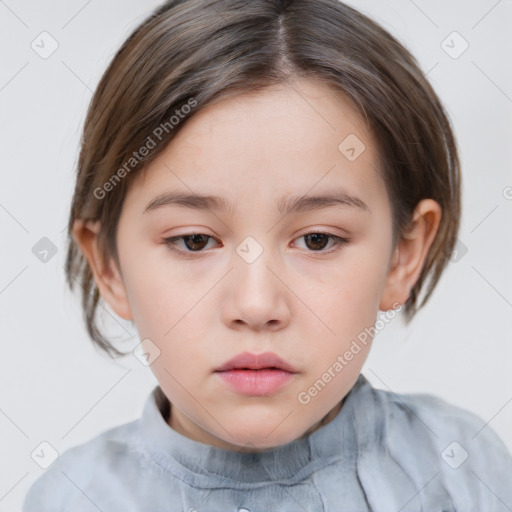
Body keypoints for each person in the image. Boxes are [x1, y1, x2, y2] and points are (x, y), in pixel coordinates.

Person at [23, 0, 512, 510]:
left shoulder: (464, 472)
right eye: (194, 240)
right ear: (109, 266)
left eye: (318, 240)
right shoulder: (74, 498)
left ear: (402, 255)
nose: (256, 305)